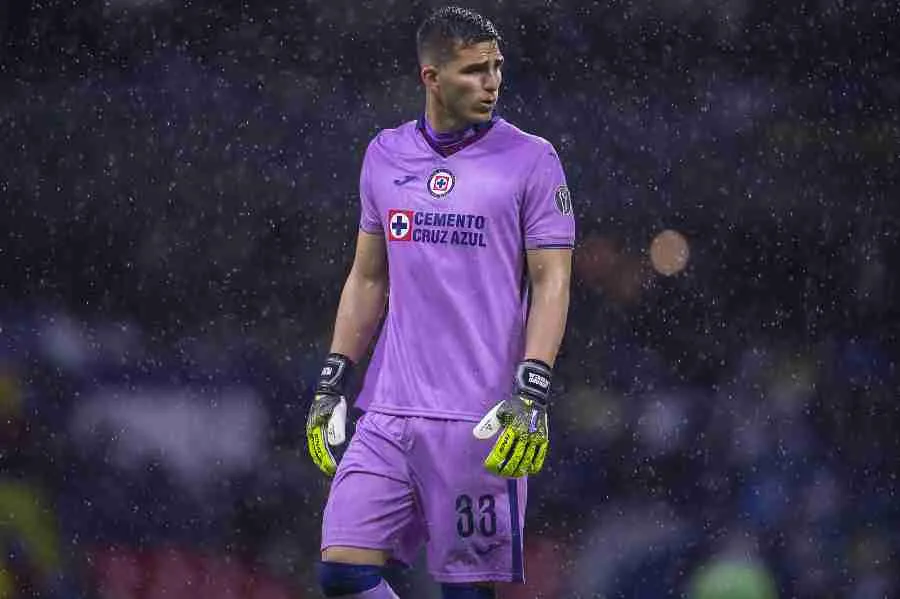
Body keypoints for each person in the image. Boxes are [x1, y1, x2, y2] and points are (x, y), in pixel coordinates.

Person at [305, 6, 575, 598]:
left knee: (464, 591)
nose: (493, 82)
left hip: (478, 415)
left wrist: (533, 387)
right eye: (475, 71)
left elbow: (553, 280)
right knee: (342, 573)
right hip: (389, 407)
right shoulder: (384, 154)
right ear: (431, 77)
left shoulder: (533, 159)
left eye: (497, 68)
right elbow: (368, 278)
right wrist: (332, 381)